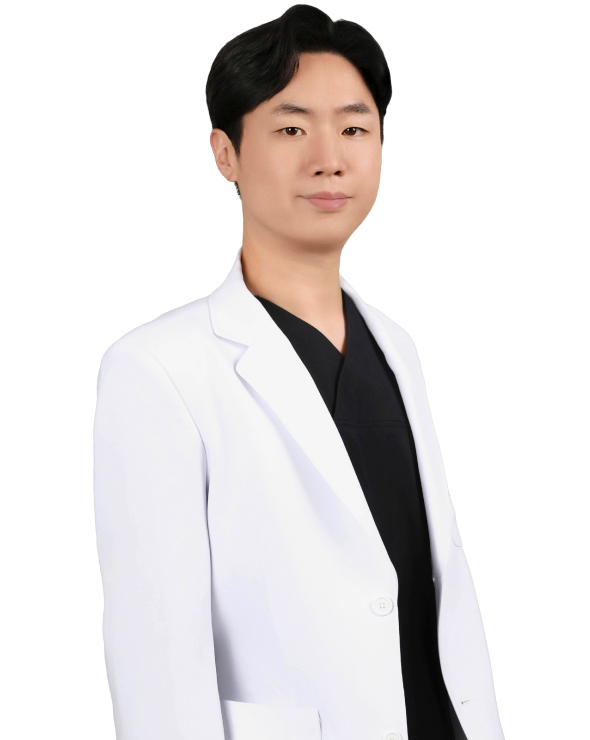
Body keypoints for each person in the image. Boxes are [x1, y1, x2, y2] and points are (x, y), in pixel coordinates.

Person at [93, 5, 504, 739]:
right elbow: (157, 651)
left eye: (354, 129)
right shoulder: (157, 368)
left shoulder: (396, 346)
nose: (329, 159)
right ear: (225, 153)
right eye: (291, 130)